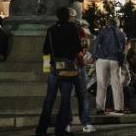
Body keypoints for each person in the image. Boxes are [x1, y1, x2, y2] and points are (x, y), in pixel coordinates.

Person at [36, 7, 79, 136]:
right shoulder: (72, 28)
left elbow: (45, 50)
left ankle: (41, 129)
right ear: (67, 16)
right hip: (67, 66)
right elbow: (77, 46)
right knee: (65, 99)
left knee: (49, 98)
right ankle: (60, 129)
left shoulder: (51, 30)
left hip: (54, 67)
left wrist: (46, 67)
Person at [68, 8, 95, 134]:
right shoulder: (79, 31)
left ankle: (66, 123)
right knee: (82, 95)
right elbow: (85, 46)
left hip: (62, 66)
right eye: (74, 16)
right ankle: (86, 123)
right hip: (78, 65)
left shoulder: (53, 30)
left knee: (66, 96)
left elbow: (47, 50)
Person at [93, 17, 126, 114]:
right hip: (115, 60)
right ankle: (119, 108)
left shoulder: (103, 32)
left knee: (101, 84)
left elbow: (96, 44)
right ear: (117, 24)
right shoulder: (121, 33)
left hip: (102, 59)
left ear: (108, 23)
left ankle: (100, 108)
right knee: (117, 84)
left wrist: (96, 55)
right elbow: (123, 48)